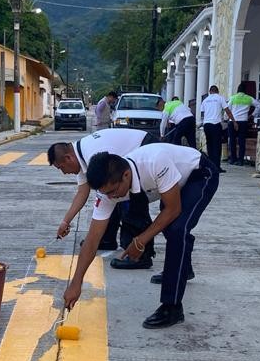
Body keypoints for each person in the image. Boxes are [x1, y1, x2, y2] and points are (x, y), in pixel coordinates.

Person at [62, 144, 219, 329]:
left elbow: (173, 209)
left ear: (126, 176)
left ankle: (172, 307)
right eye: (106, 194)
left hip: (199, 174)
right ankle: (183, 270)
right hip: (172, 183)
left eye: (113, 192)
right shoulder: (107, 191)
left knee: (178, 230)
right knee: (171, 228)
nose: (111, 198)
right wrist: (76, 282)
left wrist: (141, 240)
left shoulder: (154, 162)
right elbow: (92, 239)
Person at [47, 128, 156, 269]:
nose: (64, 173)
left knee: (126, 201)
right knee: (109, 196)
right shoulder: (82, 157)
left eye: (61, 168)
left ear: (68, 158)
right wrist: (65, 221)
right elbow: (82, 193)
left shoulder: (92, 154)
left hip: (146, 148)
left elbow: (107, 190)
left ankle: (140, 255)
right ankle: (106, 239)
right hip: (135, 150)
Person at [224, 80, 260, 166]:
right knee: (242, 141)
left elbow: (227, 109)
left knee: (232, 141)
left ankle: (233, 159)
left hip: (232, 121)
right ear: (245, 91)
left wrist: (225, 118)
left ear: (237, 90)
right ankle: (240, 160)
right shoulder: (249, 98)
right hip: (243, 122)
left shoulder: (233, 98)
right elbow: (259, 105)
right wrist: (252, 115)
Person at [199, 85, 227, 171]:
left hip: (207, 125)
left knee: (210, 146)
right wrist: (233, 121)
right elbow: (227, 110)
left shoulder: (205, 100)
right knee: (217, 146)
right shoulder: (220, 98)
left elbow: (202, 114)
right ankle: (217, 167)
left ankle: (211, 166)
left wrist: (202, 123)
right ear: (217, 91)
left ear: (209, 91)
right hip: (215, 124)